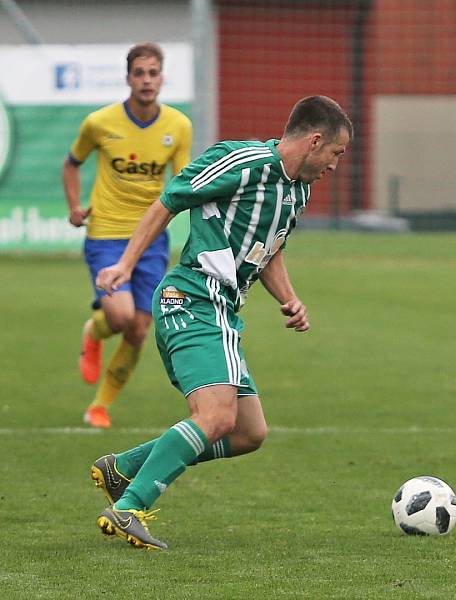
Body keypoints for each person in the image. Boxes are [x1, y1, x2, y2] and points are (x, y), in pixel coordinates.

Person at [91, 95, 352, 550]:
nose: (335, 165)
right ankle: (131, 505)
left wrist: (289, 299)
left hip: (222, 311)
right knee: (215, 416)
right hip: (193, 298)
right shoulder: (241, 161)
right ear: (315, 141)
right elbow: (168, 201)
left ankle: (125, 467)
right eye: (336, 153)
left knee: (249, 432)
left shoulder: (299, 189)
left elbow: (267, 248)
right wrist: (126, 266)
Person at [62, 42, 193, 428]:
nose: (147, 80)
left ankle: (100, 406)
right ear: (128, 78)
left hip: (151, 238)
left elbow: (183, 185)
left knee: (138, 329)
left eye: (154, 73)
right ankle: (95, 329)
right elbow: (71, 165)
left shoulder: (179, 126)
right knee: (118, 317)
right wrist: (74, 206)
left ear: (162, 78)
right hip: (105, 234)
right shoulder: (99, 123)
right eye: (140, 73)